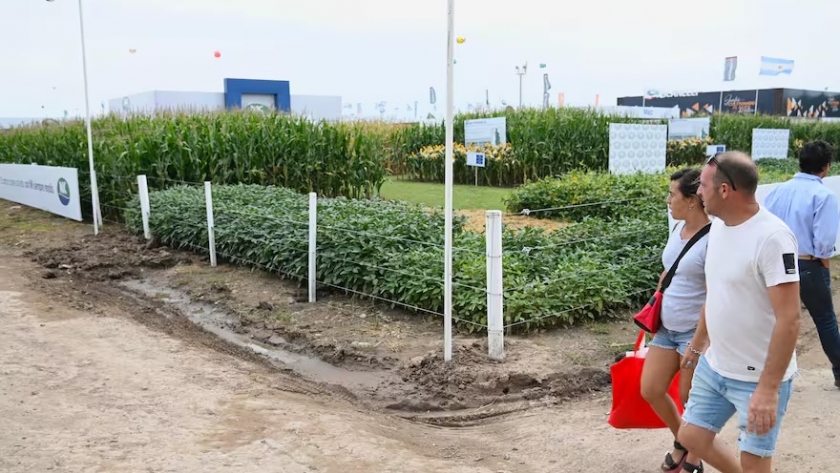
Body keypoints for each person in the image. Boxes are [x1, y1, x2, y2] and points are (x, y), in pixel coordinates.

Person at [678, 151, 801, 473]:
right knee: (691, 435)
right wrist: (696, 346)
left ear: (724, 190)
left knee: (755, 463)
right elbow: (716, 295)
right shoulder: (718, 227)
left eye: (703, 185)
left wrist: (768, 388)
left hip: (757, 377)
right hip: (716, 365)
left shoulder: (773, 238)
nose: (698, 192)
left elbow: (790, 319)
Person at [640, 168, 710, 473]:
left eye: (673, 194)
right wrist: (655, 305)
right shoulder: (676, 229)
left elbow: (715, 294)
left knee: (690, 398)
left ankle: (695, 457)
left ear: (692, 200)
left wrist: (699, 343)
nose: (668, 200)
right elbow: (668, 271)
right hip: (666, 328)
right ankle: (682, 441)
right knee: (651, 389)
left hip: (693, 332)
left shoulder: (713, 239)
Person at [764, 140, 840, 388]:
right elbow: (824, 242)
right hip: (808, 264)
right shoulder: (823, 195)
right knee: (825, 319)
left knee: (776, 319)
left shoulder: (777, 191)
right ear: (826, 167)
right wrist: (825, 264)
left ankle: (768, 371)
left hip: (774, 263)